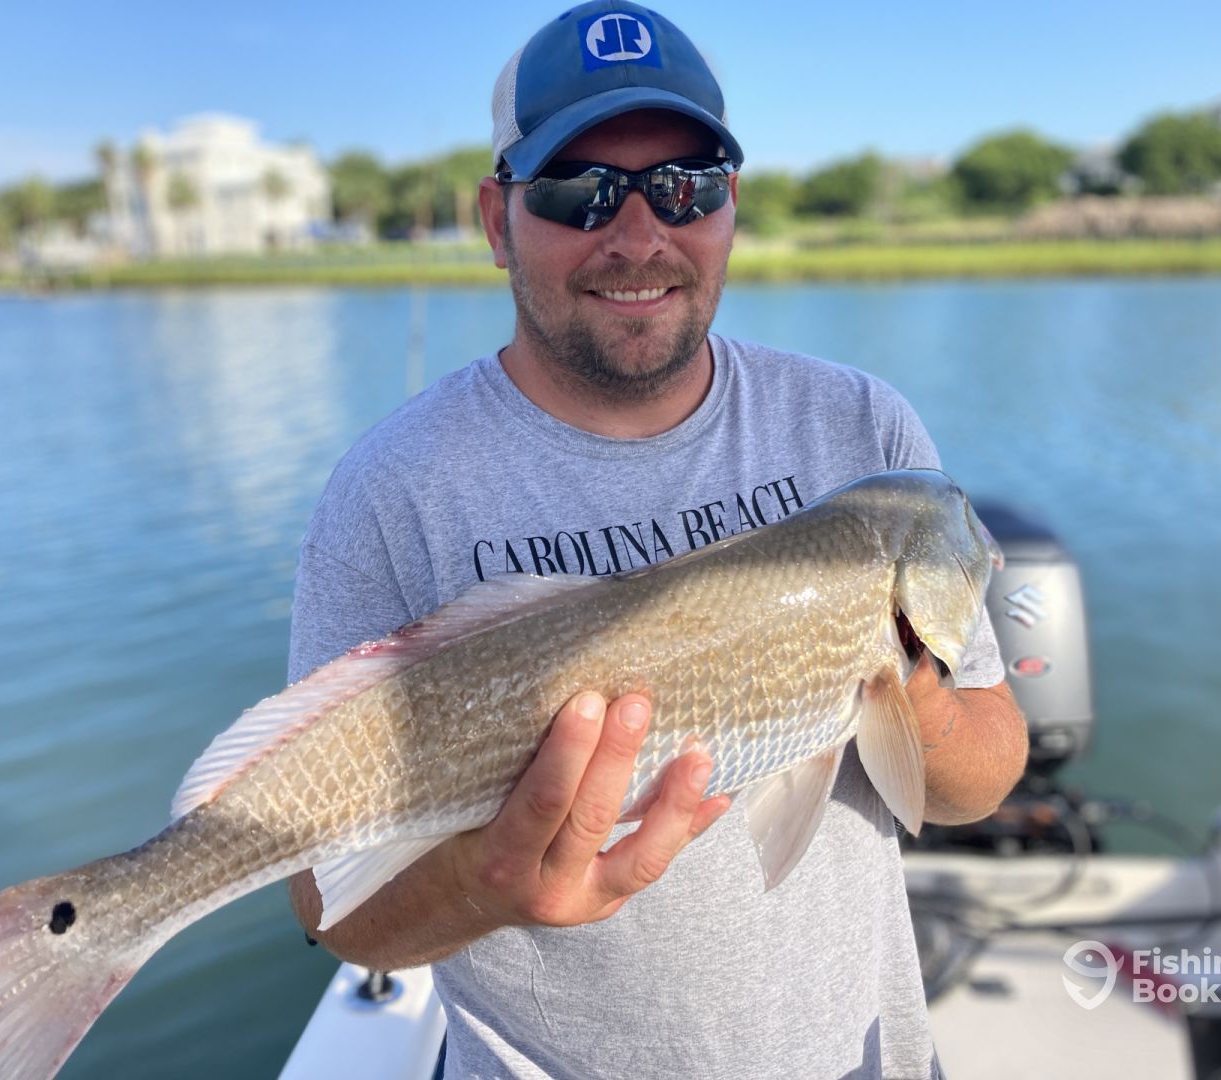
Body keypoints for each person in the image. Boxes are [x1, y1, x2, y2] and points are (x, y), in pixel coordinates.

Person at [287, 3, 1028, 1077]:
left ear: (731, 206)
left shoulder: (864, 431)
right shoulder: (390, 491)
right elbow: (331, 907)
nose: (639, 237)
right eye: (577, 190)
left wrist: (884, 669)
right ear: (498, 220)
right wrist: (485, 884)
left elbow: (983, 779)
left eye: (685, 186)